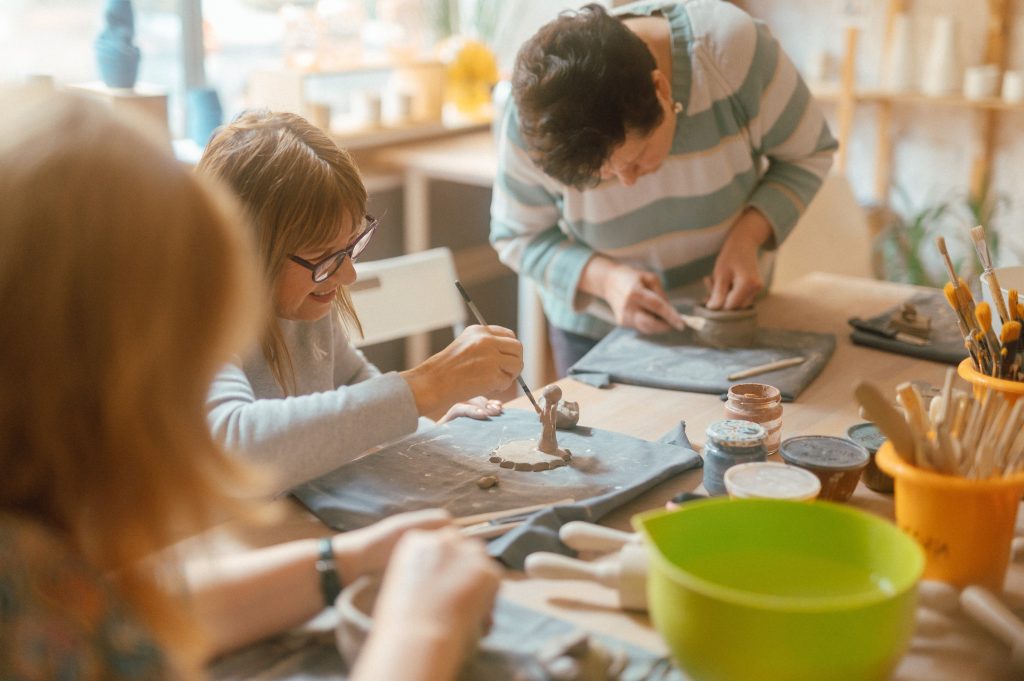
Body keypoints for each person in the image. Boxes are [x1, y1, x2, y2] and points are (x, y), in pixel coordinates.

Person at [0, 92, 500, 681]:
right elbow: (233, 444)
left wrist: (347, 562)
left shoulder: (48, 550)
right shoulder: (21, 584)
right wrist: (423, 631)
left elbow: (137, 616)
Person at [490, 1, 837, 375]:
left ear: (660, 89)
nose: (627, 183)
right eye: (602, 177)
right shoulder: (537, 118)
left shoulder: (731, 52)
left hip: (733, 322)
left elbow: (808, 153)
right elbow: (517, 235)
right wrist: (607, 280)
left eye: (636, 159)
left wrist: (747, 238)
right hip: (598, 334)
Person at [200, 110, 525, 493]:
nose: (347, 275)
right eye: (324, 257)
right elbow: (237, 446)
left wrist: (424, 432)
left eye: (351, 246)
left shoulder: (304, 298)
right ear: (247, 253)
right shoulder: (189, 318)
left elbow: (352, 379)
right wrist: (429, 384)